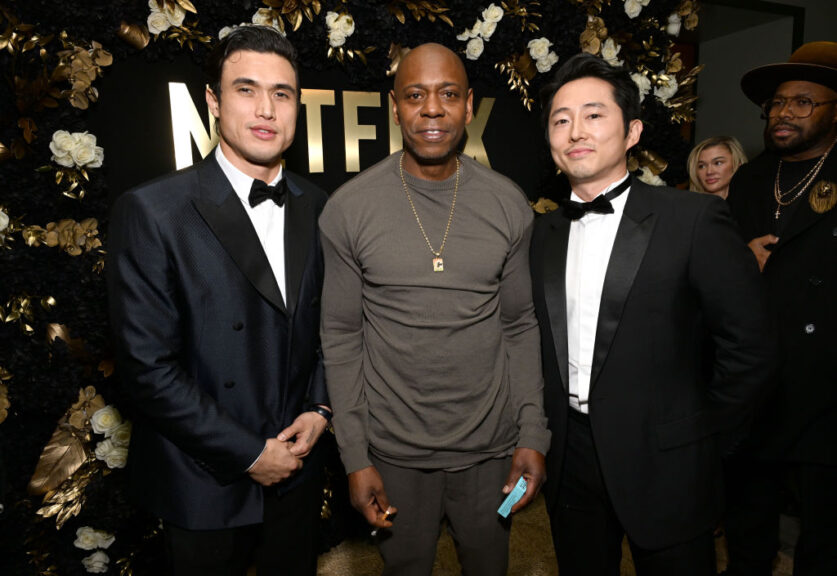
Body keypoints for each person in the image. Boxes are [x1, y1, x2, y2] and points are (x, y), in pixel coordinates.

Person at [529, 53, 773, 576]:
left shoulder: (694, 219)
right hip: (572, 460)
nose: (576, 130)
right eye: (561, 118)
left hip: (670, 464)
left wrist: (705, 445)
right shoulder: (540, 235)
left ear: (633, 130)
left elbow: (749, 348)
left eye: (594, 115)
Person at [319, 43, 550, 576]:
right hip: (394, 454)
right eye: (415, 95)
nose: (432, 109)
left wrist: (533, 434)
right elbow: (340, 335)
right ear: (395, 107)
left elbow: (519, 324)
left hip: (490, 451)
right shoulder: (349, 209)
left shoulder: (506, 203)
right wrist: (356, 456)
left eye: (448, 94)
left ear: (469, 107)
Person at [107, 26, 330, 576]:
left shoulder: (321, 207)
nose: (266, 109)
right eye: (245, 89)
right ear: (212, 101)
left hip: (297, 474)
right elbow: (147, 369)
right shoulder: (154, 211)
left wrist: (321, 409)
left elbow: (334, 328)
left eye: (281, 94)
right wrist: (251, 454)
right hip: (203, 480)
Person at [723, 40, 837, 576]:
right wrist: (739, 266)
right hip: (759, 378)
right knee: (749, 517)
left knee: (826, 529)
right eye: (778, 102)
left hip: (828, 384)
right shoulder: (749, 180)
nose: (784, 112)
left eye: (803, 102)